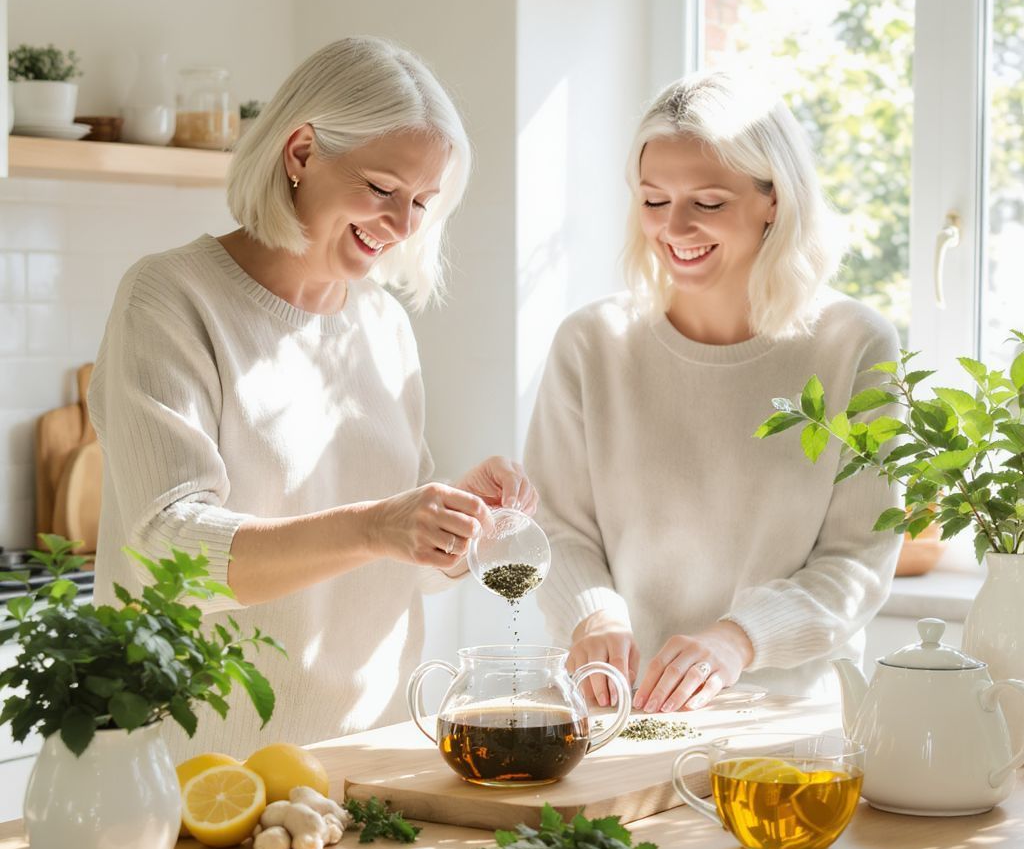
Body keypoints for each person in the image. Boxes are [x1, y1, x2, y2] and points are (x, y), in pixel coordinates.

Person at [89, 37, 537, 759]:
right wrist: (378, 525)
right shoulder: (172, 297)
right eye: (382, 188)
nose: (403, 225)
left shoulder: (383, 323)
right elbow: (168, 549)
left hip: (376, 761)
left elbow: (399, 571)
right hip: (209, 770)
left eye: (422, 202)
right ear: (300, 153)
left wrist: (458, 523)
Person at [523, 70, 901, 714]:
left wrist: (737, 640)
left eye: (708, 202)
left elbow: (857, 560)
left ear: (774, 200)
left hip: (784, 719)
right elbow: (555, 526)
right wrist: (593, 615)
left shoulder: (853, 344)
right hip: (618, 710)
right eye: (653, 200)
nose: (674, 228)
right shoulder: (592, 343)